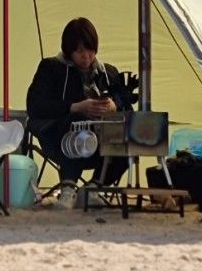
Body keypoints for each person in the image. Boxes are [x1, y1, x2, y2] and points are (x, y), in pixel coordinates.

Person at [26, 16, 132, 209]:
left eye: (90, 50)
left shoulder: (108, 73)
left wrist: (114, 107)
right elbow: (35, 105)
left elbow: (127, 106)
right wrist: (75, 107)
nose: (86, 56)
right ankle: (68, 190)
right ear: (69, 51)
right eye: (80, 51)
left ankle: (93, 188)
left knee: (132, 130)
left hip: (101, 143)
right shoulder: (51, 68)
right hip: (59, 139)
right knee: (78, 122)